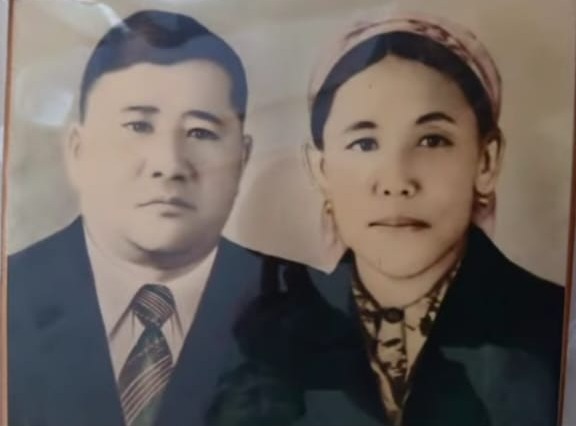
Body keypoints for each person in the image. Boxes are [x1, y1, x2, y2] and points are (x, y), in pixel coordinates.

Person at [210, 11, 566, 426]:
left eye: (432, 140)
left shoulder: (556, 327)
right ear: (321, 170)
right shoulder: (264, 338)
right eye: (364, 143)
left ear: (486, 161)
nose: (396, 182)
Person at [7, 9, 300, 426]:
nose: (170, 164)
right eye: (138, 126)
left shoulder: (309, 309)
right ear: (77, 150)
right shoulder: (11, 295)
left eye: (200, 132)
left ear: (243, 157)